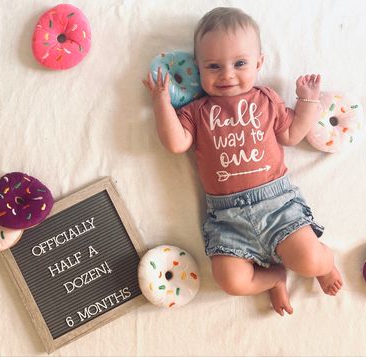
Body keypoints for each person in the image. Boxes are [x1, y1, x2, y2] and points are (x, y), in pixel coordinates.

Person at [142, 7, 342, 316]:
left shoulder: (265, 99)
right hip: (227, 218)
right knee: (231, 281)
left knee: (308, 260)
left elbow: (291, 134)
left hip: (276, 205)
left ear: (259, 63)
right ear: (197, 69)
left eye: (239, 63)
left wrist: (307, 100)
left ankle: (325, 264)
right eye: (213, 66)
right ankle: (273, 278)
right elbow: (175, 142)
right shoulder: (196, 111)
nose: (227, 74)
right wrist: (162, 103)